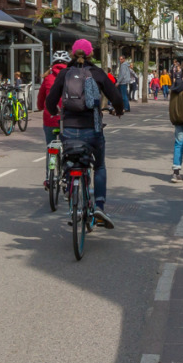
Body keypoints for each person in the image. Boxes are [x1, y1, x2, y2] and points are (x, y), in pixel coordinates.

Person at [44, 39, 125, 227]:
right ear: (91, 54)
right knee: (99, 166)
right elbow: (116, 97)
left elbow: (49, 102)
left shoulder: (64, 73)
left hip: (69, 130)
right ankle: (99, 206)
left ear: (72, 54)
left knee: (70, 160)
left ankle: (72, 196)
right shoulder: (97, 73)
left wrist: (56, 112)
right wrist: (118, 110)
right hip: (92, 130)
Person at [37, 49, 70, 144]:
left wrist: (40, 107)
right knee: (67, 147)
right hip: (67, 118)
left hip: (50, 118)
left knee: (50, 146)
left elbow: (41, 96)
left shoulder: (47, 78)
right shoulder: (70, 76)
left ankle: (51, 157)